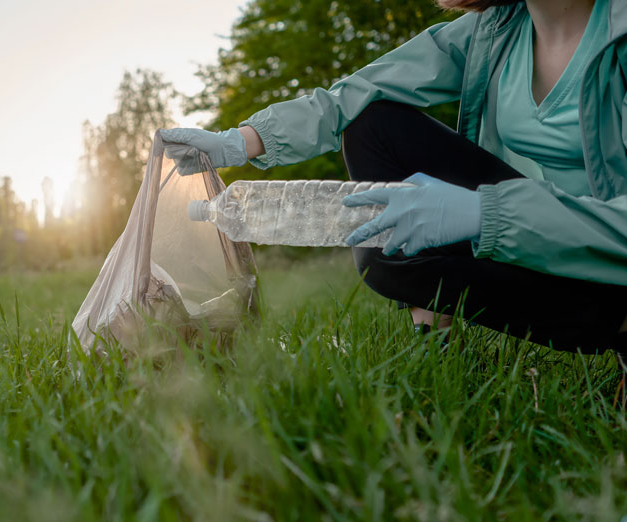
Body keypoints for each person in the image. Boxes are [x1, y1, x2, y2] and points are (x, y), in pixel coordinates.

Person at [161, 0, 627, 365]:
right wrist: (239, 142)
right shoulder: (497, 32)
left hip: (611, 273)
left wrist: (485, 213)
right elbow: (354, 95)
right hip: (540, 253)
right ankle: (435, 344)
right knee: (373, 131)